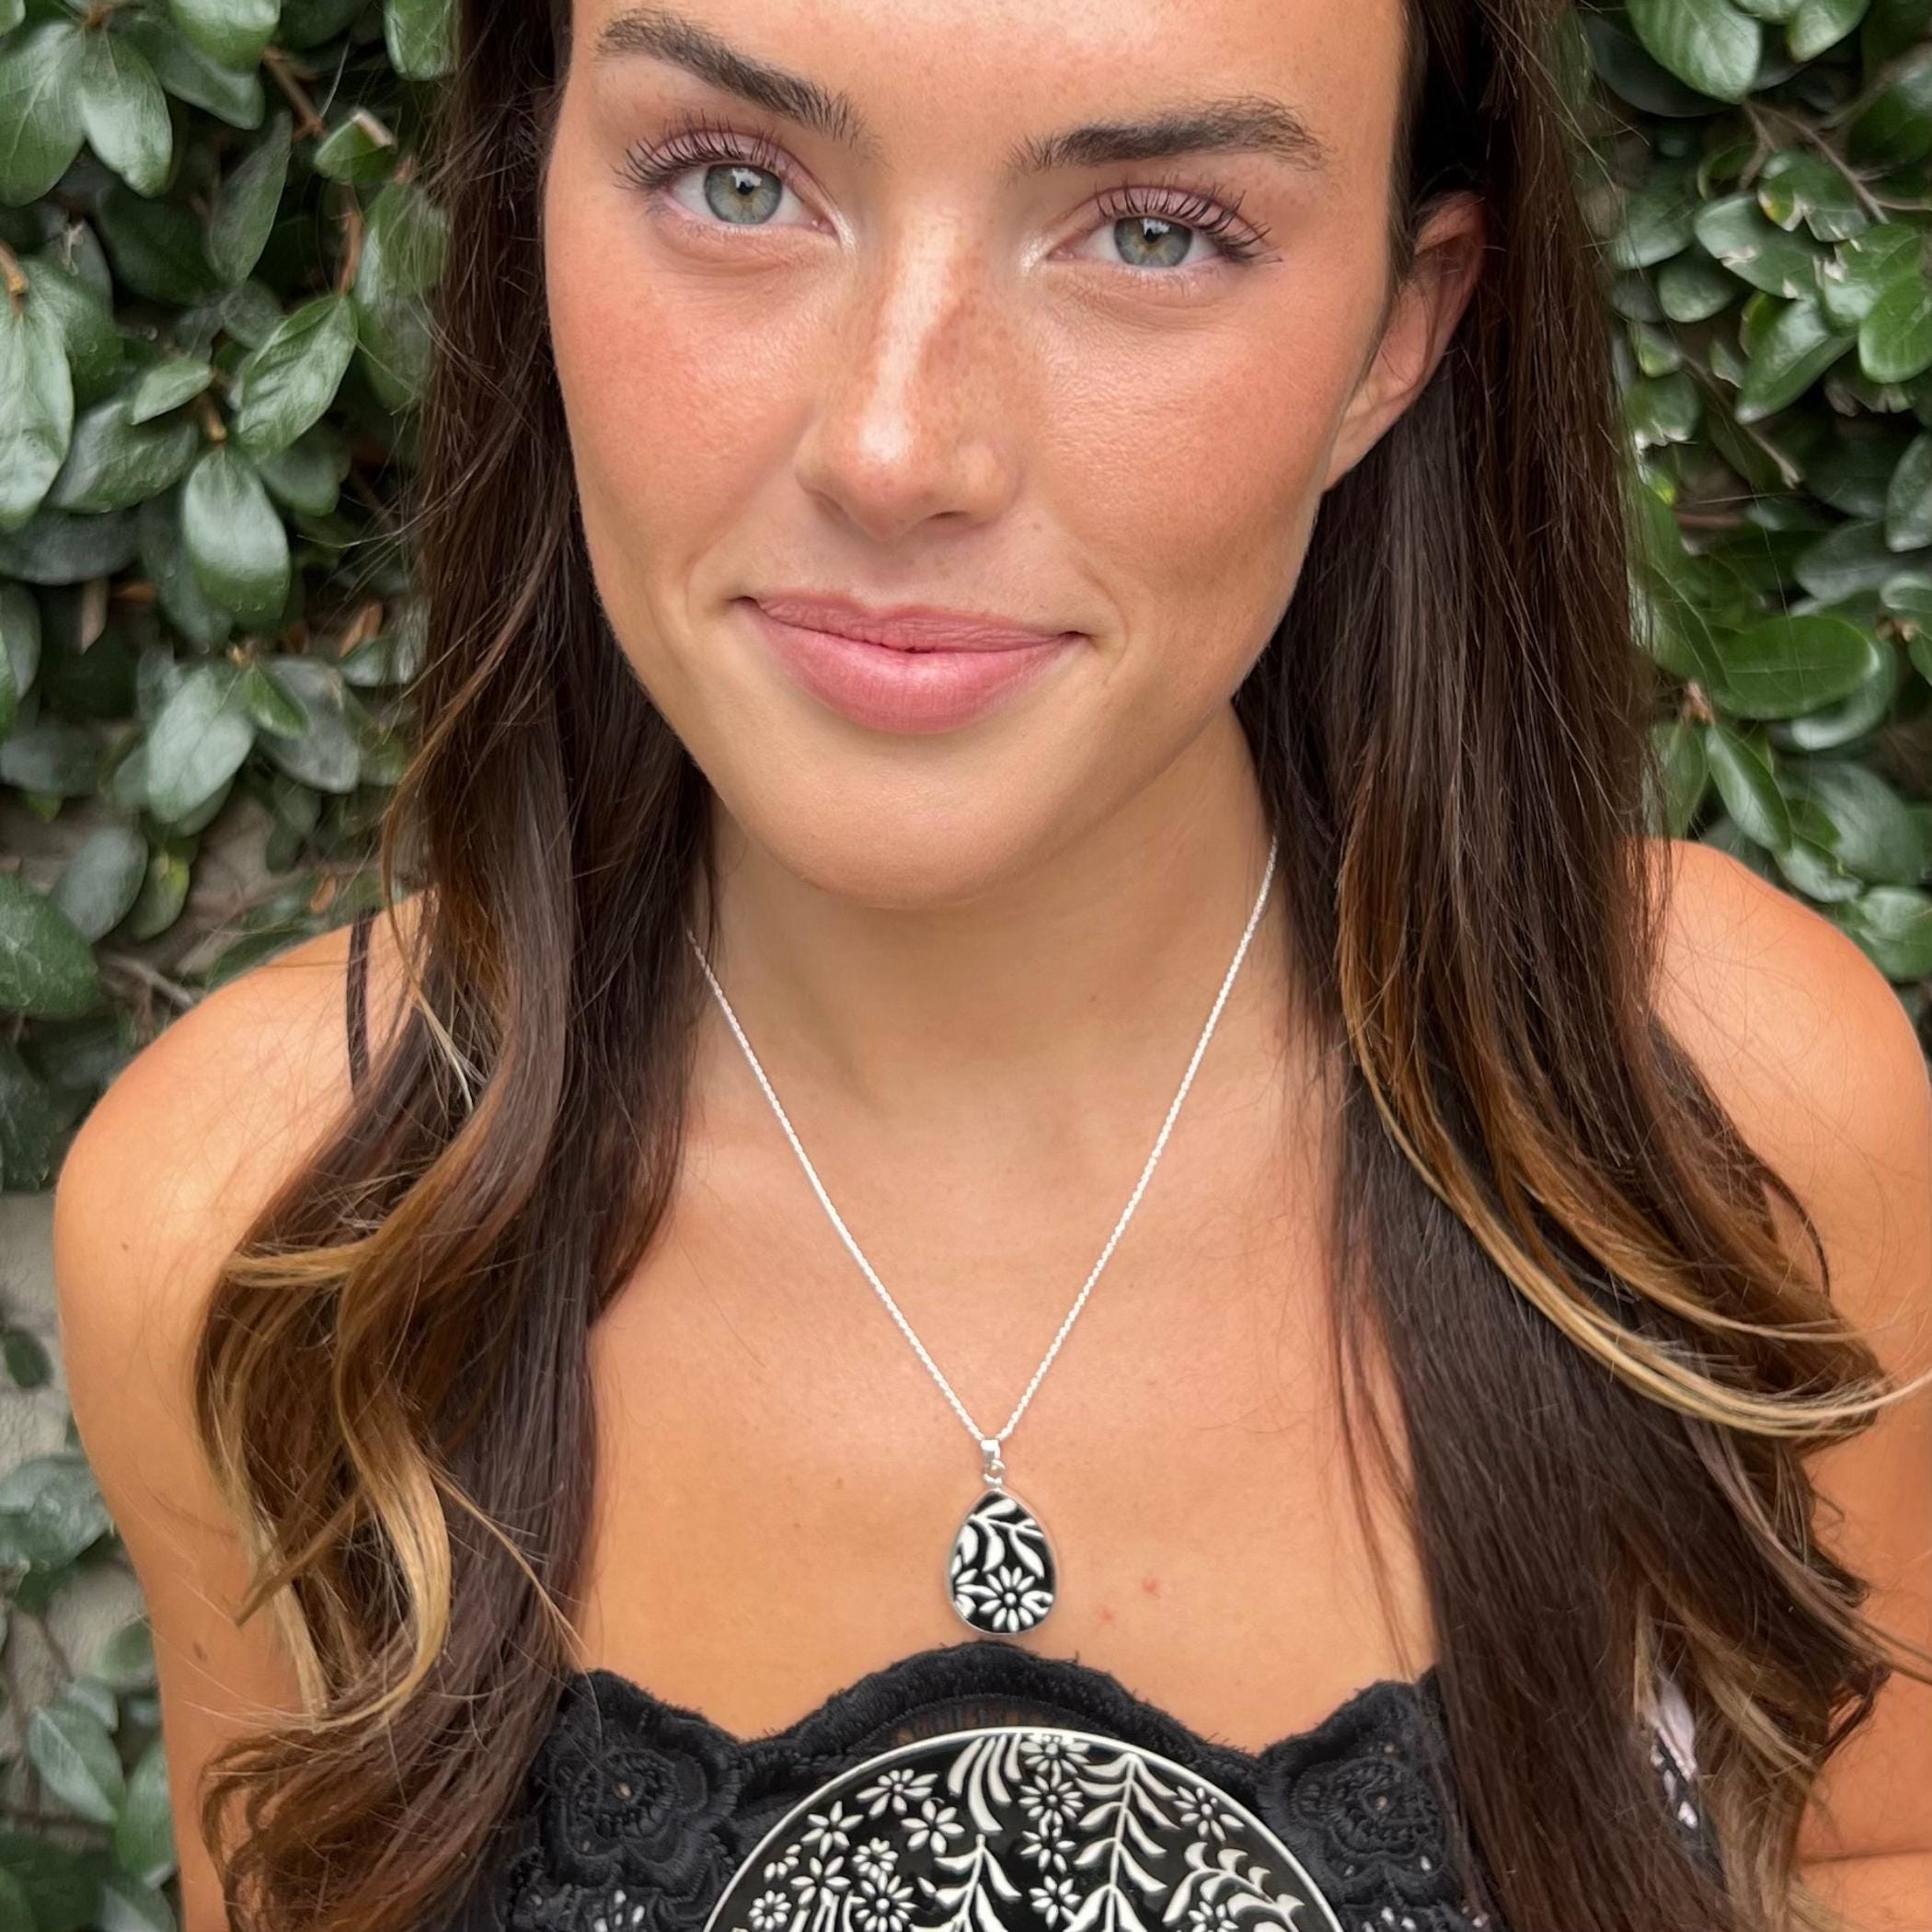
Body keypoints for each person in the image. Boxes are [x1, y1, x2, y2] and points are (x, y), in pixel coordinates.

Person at [47, 0, 1932, 1926]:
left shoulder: (1718, 1125)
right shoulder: (267, 1245)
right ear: (530, 206)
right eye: (733, 181)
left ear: (1397, 328)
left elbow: (1876, 1846)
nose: (895, 449)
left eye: (1154, 229)